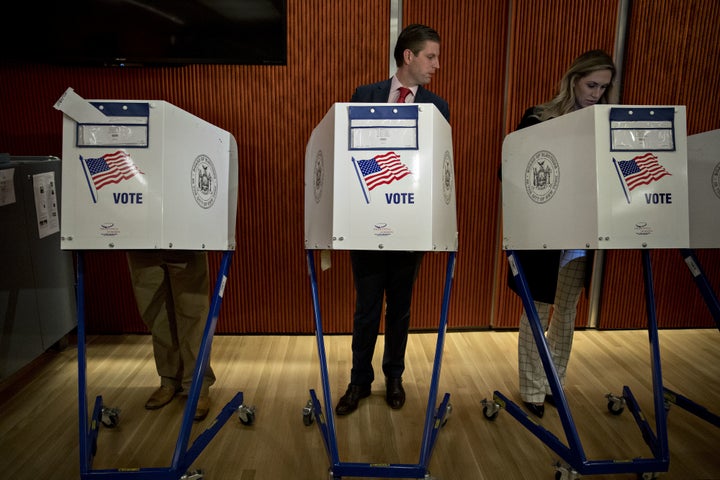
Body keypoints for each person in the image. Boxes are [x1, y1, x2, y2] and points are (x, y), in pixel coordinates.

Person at [334, 23, 450, 416]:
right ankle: (358, 380)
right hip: (367, 224)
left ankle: (394, 378)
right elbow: (349, 161)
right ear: (408, 56)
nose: (436, 64)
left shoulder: (437, 106)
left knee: (400, 308)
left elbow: (437, 169)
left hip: (410, 227)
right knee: (366, 307)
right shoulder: (363, 96)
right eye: (431, 56)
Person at [509, 50, 616, 418]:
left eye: (603, 87)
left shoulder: (604, 124)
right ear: (573, 80)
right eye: (591, 84)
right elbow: (512, 174)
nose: (596, 93)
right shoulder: (539, 118)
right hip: (542, 235)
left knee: (567, 311)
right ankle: (533, 388)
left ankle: (555, 381)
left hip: (580, 234)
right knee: (537, 310)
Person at [127, 250, 216, 421]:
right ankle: (169, 380)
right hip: (142, 238)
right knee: (156, 313)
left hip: (186, 235)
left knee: (193, 314)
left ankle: (197, 386)